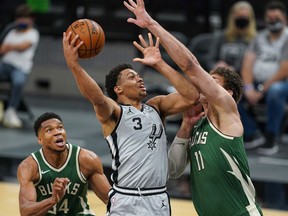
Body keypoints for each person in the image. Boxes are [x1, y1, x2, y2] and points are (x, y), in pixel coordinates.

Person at [124, 0, 263, 215]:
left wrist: (151, 24)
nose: (205, 84)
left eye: (213, 81)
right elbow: (175, 170)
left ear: (229, 93)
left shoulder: (227, 110)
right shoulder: (198, 124)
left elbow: (190, 66)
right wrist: (186, 127)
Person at [62, 28, 199, 215]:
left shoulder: (156, 106)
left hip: (158, 198)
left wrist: (160, 64)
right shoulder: (115, 112)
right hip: (126, 198)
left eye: (138, 75)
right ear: (118, 89)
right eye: (131, 77)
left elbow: (191, 96)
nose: (139, 78)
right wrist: (74, 66)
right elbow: (98, 98)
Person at [17, 112, 111, 215]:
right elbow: (25, 212)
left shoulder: (86, 159)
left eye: (60, 128)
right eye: (49, 130)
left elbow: (110, 200)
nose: (57, 132)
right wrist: (53, 200)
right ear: (40, 140)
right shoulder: (29, 167)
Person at [206, 2, 263, 149]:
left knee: (234, 96)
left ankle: (252, 132)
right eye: (239, 16)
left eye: (245, 16)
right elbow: (209, 58)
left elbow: (254, 65)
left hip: (246, 80)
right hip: (221, 78)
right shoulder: (221, 37)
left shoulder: (255, 40)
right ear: (233, 17)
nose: (242, 19)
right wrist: (218, 65)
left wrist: (233, 70)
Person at [240, 0, 288, 155]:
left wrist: (261, 89)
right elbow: (247, 64)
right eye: (270, 18)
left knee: (275, 90)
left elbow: (284, 69)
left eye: (277, 18)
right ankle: (253, 133)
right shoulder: (259, 38)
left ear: (285, 19)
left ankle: (271, 136)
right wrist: (248, 88)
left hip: (281, 84)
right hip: (256, 83)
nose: (273, 21)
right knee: (230, 90)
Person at [0, 4, 39, 128]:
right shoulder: (11, 31)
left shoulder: (33, 33)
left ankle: (10, 112)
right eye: (20, 18)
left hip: (21, 68)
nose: (22, 21)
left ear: (30, 20)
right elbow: (2, 49)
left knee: (18, 82)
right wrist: (14, 47)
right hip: (5, 65)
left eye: (25, 18)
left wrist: (10, 47)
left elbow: (24, 47)